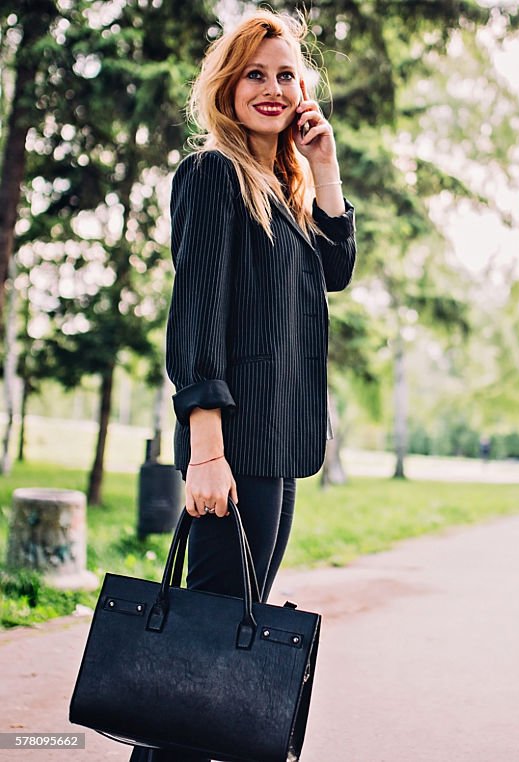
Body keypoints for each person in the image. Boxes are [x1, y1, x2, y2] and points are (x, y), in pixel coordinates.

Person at [130, 10, 356, 761]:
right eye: (254, 74)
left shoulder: (278, 188)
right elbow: (195, 320)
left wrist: (324, 170)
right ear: (226, 88)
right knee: (209, 638)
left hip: (276, 447)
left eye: (286, 74)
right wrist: (204, 451)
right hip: (232, 449)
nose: (271, 87)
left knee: (222, 636)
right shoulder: (213, 175)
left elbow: (337, 271)